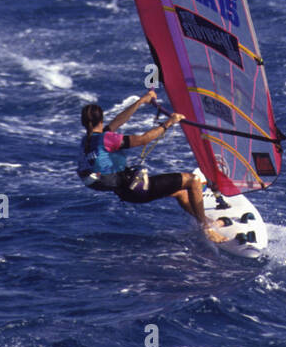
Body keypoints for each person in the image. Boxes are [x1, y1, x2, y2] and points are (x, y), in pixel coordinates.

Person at [77, 90, 227, 243]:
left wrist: (141, 101)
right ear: (101, 120)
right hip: (136, 190)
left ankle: (207, 222)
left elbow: (118, 121)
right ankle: (207, 230)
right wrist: (169, 122)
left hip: (125, 192)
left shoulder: (88, 141)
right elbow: (143, 140)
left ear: (84, 122)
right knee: (192, 179)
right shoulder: (107, 139)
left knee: (181, 192)